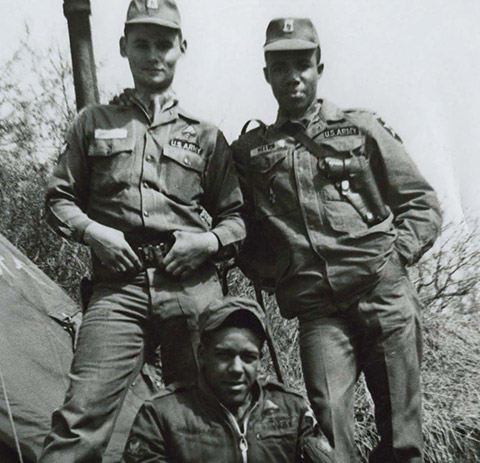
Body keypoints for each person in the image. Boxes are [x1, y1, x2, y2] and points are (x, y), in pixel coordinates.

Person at [40, 1, 245, 462]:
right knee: (80, 420)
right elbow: (57, 199)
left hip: (193, 287)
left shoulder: (208, 136)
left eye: (164, 44)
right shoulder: (93, 123)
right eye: (142, 43)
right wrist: (94, 233)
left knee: (206, 423)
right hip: (119, 288)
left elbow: (237, 218)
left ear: (181, 48)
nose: (154, 54)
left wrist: (207, 242)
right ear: (124, 48)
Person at [231, 18, 442, 463]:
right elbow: (239, 229)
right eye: (281, 66)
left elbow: (421, 203)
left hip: (381, 296)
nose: (293, 77)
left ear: (319, 67)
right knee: (328, 433)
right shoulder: (249, 153)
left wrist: (393, 258)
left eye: (303, 65)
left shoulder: (360, 128)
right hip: (319, 312)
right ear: (266, 74)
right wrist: (278, 274)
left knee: (403, 438)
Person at [122, 296, 334, 463]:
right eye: (224, 355)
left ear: (260, 359)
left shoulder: (292, 409)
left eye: (248, 357)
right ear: (202, 354)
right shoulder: (161, 415)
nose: (236, 369)